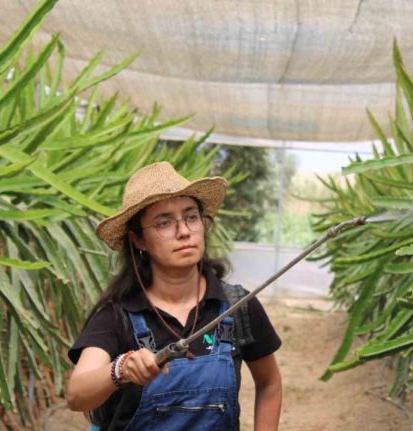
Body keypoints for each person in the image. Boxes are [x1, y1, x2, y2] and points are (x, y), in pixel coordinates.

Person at [66, 161, 283, 430]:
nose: (183, 232)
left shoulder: (235, 307)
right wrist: (120, 369)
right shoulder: (119, 315)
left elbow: (269, 382)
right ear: (138, 240)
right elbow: (77, 394)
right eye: (164, 222)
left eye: (191, 217)